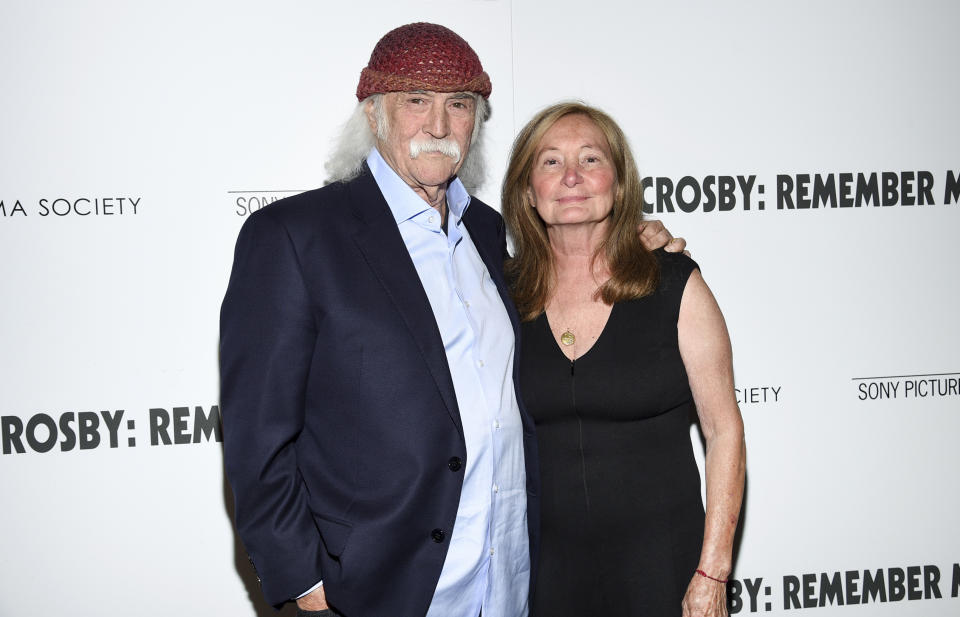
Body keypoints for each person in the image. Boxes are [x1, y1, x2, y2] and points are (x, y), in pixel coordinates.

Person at [221, 24, 682, 617]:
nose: (438, 126)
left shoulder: (490, 233)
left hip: (510, 579)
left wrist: (636, 244)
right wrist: (305, 582)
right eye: (416, 100)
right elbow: (258, 434)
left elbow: (572, 281)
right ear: (375, 113)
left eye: (458, 105)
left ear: (476, 121)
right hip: (383, 588)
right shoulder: (294, 237)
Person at [501, 102, 746, 617]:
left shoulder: (673, 283)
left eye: (590, 159)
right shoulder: (502, 295)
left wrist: (713, 572)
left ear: (619, 182)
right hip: (546, 580)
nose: (571, 177)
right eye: (550, 162)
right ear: (527, 190)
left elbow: (724, 431)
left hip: (666, 571)